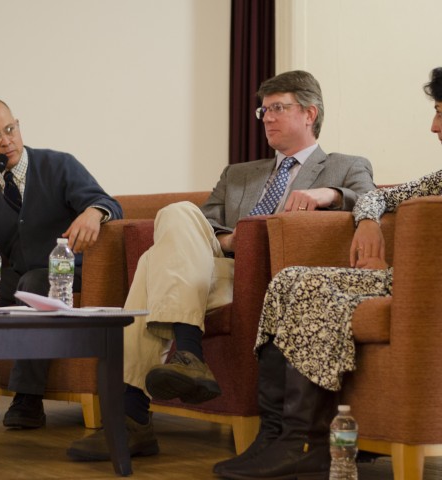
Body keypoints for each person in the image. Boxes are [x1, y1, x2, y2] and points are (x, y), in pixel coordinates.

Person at [66, 70, 375, 461]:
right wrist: (233, 239)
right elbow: (202, 223)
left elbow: (371, 202)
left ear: (310, 113)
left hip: (274, 279)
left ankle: (134, 416)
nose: (267, 117)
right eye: (264, 110)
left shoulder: (346, 165)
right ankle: (186, 359)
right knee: (176, 216)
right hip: (213, 267)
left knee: (152, 262)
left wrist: (329, 193)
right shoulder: (239, 174)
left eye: (278, 108)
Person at [212, 66, 442, 480]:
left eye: (441, 112)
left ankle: (305, 440)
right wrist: (368, 221)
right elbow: (377, 197)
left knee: (311, 288)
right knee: (288, 280)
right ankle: (277, 433)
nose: (433, 125)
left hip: (426, 288)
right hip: (394, 279)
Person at [0, 98, 123, 428]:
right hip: (19, 277)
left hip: (63, 275)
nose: (6, 140)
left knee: (36, 282)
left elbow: (108, 203)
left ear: (18, 126)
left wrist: (94, 212)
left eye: (10, 129)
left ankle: (27, 397)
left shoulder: (58, 165)